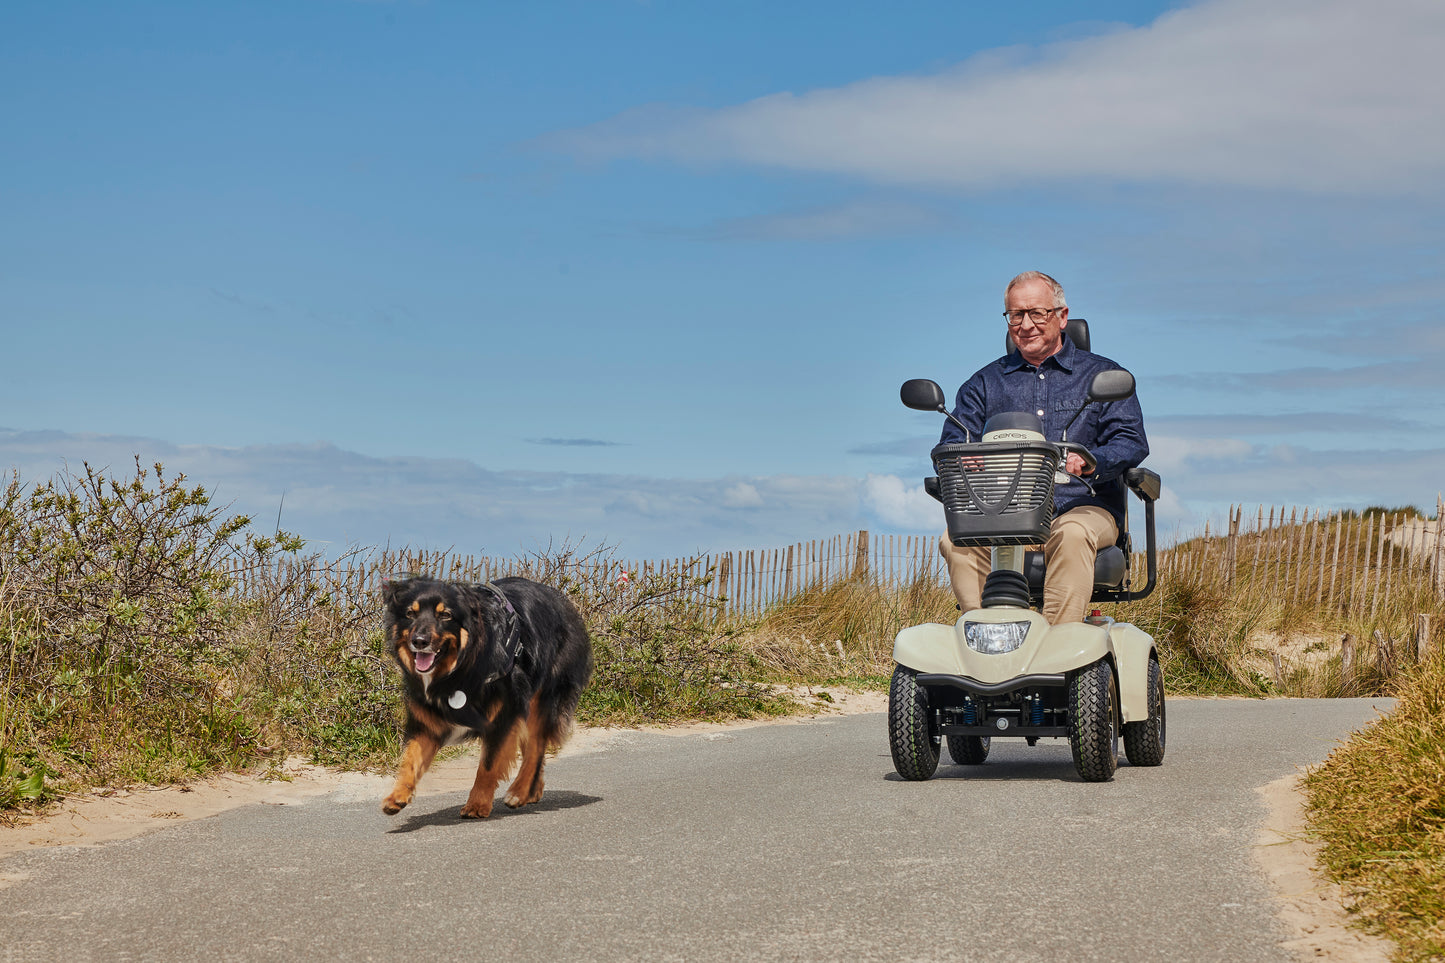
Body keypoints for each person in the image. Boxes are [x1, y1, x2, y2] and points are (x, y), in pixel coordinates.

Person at [938, 271, 1149, 625]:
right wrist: (965, 460)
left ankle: (1058, 647)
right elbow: (953, 440)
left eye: (1037, 313)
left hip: (1082, 507)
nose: (1026, 324)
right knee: (953, 538)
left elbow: (1130, 441)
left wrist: (1094, 461)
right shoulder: (983, 385)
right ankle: (985, 636)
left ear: (1062, 316)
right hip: (1003, 514)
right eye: (1016, 315)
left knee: (1071, 534)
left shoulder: (1102, 376)